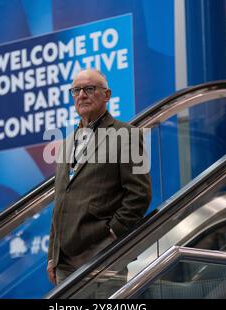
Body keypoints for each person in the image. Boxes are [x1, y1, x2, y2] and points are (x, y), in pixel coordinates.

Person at [46, 69, 152, 293]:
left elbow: (140, 195)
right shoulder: (65, 143)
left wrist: (112, 235)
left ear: (107, 94)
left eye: (89, 89)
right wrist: (52, 256)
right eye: (76, 90)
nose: (81, 95)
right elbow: (60, 200)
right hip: (64, 262)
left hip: (104, 259)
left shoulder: (128, 134)